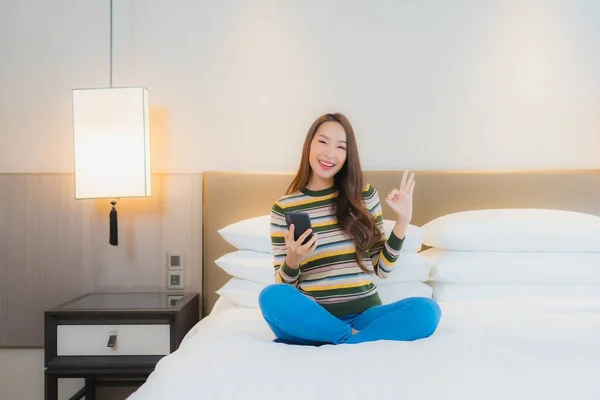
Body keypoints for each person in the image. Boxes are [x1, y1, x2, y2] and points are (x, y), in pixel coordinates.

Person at [258, 112, 441, 346]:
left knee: (427, 310)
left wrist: (403, 219)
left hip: (364, 316)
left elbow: (382, 269)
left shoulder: (363, 196)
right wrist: (293, 259)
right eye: (323, 142)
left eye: (340, 147)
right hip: (314, 317)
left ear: (347, 155)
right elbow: (285, 287)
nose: (330, 153)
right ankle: (349, 338)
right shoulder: (284, 207)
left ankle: (340, 339)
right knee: (271, 297)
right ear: (309, 145)